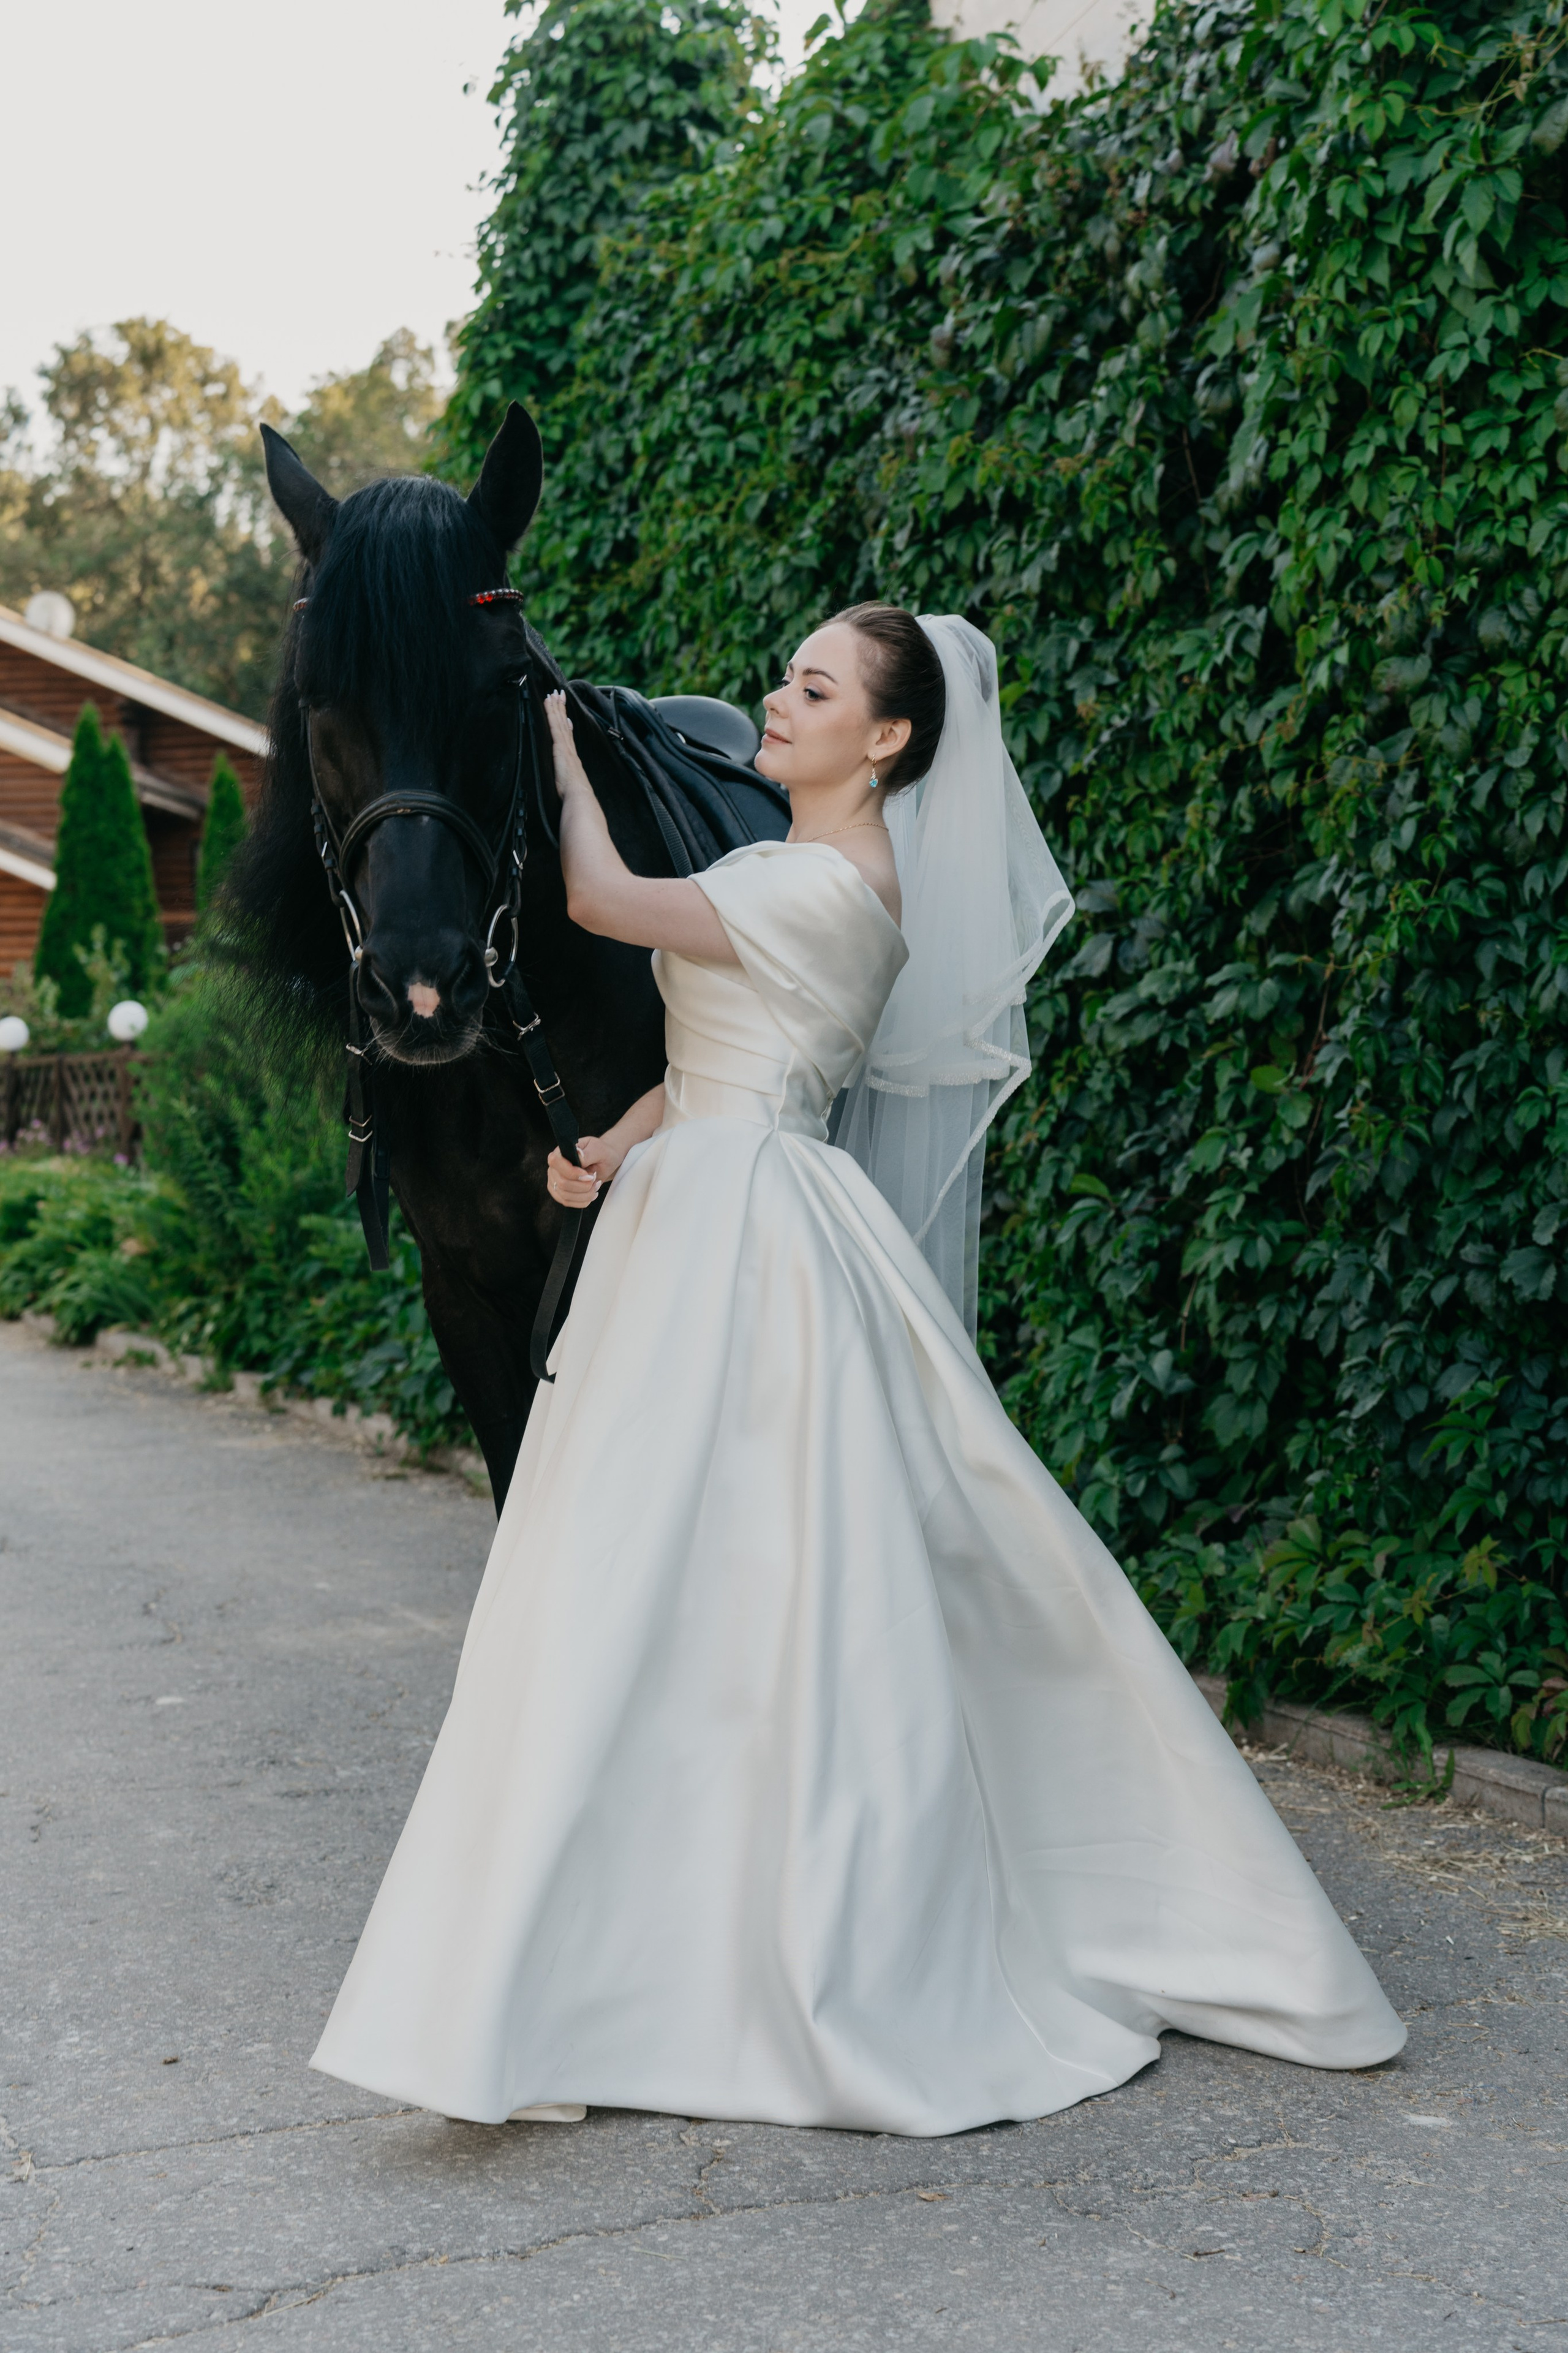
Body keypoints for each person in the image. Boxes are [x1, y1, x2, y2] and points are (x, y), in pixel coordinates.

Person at [311, 605, 1404, 2135]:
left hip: (749, 1238)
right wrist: (611, 1144)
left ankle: (719, 1940)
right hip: (693, 1202)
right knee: (648, 1574)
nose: (776, 695)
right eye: (788, 674)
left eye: (813, 688)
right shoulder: (783, 871)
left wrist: (555, 743)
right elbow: (716, 1060)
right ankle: (625, 1928)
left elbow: (598, 899)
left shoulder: (833, 884)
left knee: (734, 1574)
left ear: (884, 739)